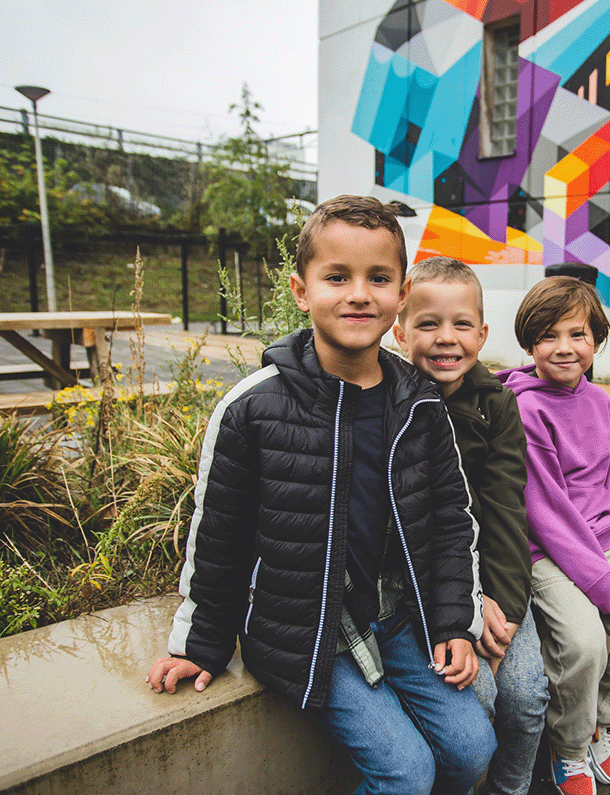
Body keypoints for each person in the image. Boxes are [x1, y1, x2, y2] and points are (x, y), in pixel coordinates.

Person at [146, 195, 495, 795]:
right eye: (337, 277)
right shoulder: (254, 408)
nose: (359, 294)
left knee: (472, 749)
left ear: (402, 294)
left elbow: (451, 523)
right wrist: (201, 645)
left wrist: (454, 624)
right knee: (406, 773)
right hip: (311, 630)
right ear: (301, 290)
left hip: (400, 619)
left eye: (378, 278)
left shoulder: (420, 402)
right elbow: (221, 537)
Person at [497, 277, 610, 795]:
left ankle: (604, 723)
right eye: (548, 335)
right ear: (529, 344)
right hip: (547, 550)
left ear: (596, 341)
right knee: (584, 643)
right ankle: (570, 745)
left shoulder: (599, 401)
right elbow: (546, 510)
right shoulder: (525, 408)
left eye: (577, 334)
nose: (564, 347)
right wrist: (599, 580)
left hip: (599, 539)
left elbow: (601, 477)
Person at [392, 256, 549, 795]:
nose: (446, 338)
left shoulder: (497, 405)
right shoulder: (393, 404)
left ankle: (511, 788)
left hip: (500, 580)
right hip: (437, 588)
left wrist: (505, 606)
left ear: (482, 335)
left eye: (461, 324)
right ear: (400, 332)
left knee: (526, 693)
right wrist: (468, 606)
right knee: (477, 695)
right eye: (428, 324)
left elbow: (506, 510)